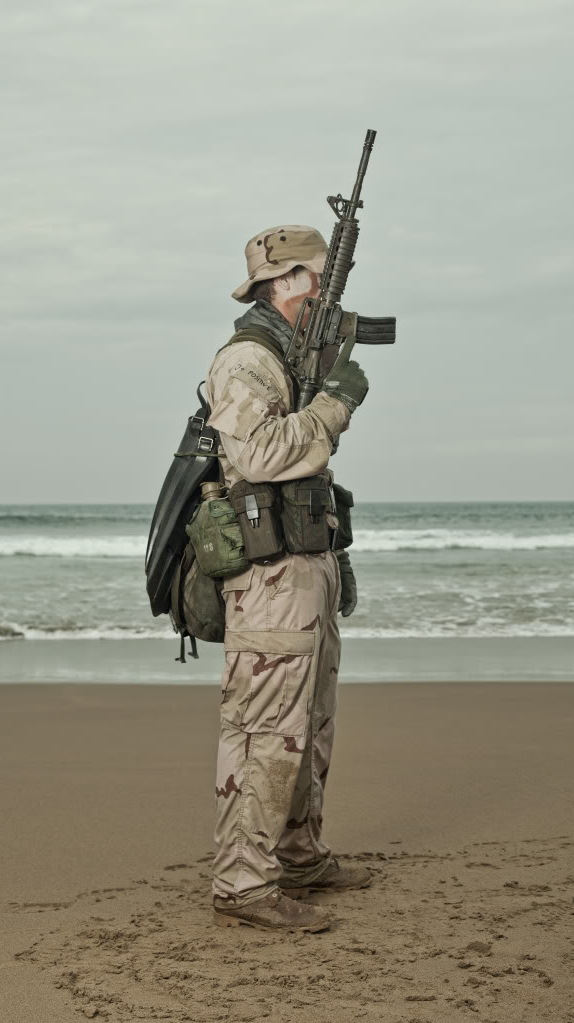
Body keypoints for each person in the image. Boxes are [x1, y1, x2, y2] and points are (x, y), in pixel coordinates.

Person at [205, 225, 372, 933]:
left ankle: (297, 852)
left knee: (311, 724)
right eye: (316, 281)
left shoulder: (291, 356)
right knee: (267, 729)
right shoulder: (247, 359)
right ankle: (244, 882)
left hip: (305, 563)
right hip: (270, 577)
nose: (327, 295)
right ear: (283, 284)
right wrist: (336, 403)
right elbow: (265, 455)